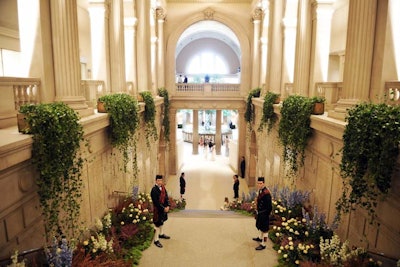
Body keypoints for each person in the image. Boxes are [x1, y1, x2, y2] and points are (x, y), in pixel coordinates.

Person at [150, 174, 171, 248]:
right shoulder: (153, 190)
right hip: (158, 210)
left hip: (164, 209)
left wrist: (168, 205)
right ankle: (156, 240)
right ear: (156, 181)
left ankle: (161, 234)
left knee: (162, 221)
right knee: (157, 224)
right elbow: (156, 203)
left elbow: (166, 197)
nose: (160, 182)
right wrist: (163, 208)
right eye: (158, 180)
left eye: (161, 180)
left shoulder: (163, 188)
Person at [253, 177, 272, 251]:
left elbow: (269, 207)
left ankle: (263, 244)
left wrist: (264, 214)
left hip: (264, 214)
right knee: (261, 227)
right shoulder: (261, 190)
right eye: (258, 183)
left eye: (260, 183)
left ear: (263, 183)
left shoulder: (266, 193)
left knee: (265, 230)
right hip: (261, 213)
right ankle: (260, 238)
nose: (259, 185)